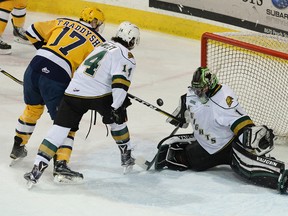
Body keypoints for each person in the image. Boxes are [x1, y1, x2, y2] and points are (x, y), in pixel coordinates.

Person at [23, 21, 140, 186]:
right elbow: (120, 85)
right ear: (133, 41)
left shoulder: (101, 45)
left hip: (73, 91)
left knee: (59, 129)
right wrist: (116, 107)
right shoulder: (125, 55)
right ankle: (126, 157)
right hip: (99, 95)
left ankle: (36, 170)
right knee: (117, 120)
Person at [153, 66, 288, 195]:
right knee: (193, 161)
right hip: (207, 148)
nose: (198, 93)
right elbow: (181, 118)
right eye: (196, 89)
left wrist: (250, 140)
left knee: (246, 166)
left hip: (229, 145)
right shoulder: (190, 97)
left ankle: (281, 177)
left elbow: (242, 125)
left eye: (202, 89)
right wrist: (182, 112)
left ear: (211, 84)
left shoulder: (223, 99)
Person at [9, 7, 106, 182]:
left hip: (34, 66)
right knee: (66, 121)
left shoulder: (63, 21)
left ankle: (18, 146)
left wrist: (46, 54)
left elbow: (31, 31)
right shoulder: (98, 41)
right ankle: (61, 164)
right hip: (56, 76)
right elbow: (94, 70)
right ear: (94, 23)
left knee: (32, 109)